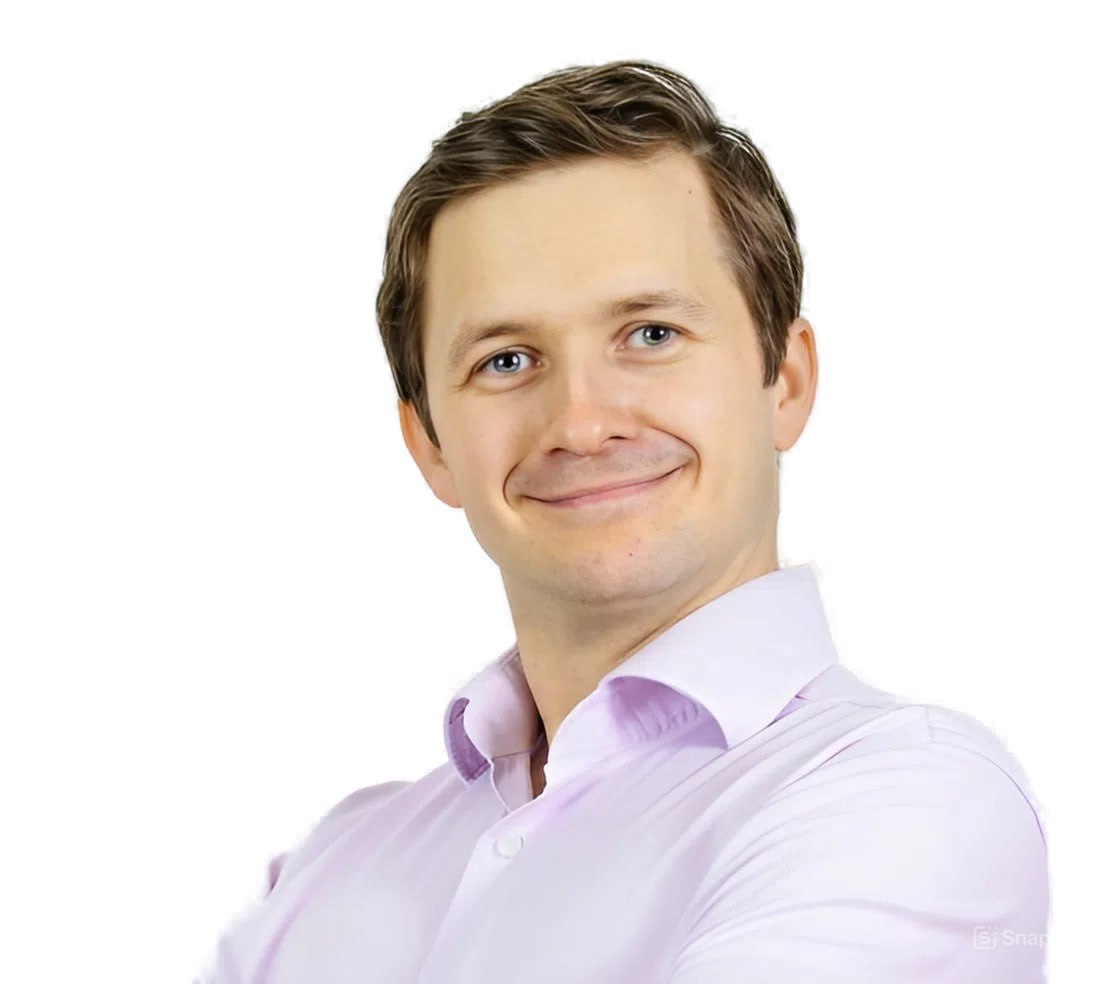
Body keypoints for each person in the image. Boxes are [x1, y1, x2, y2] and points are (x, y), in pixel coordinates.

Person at [195, 59, 1049, 983]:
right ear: (431, 445)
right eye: (507, 359)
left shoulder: (914, 801)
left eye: (651, 335)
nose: (582, 423)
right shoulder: (334, 869)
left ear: (787, 381)